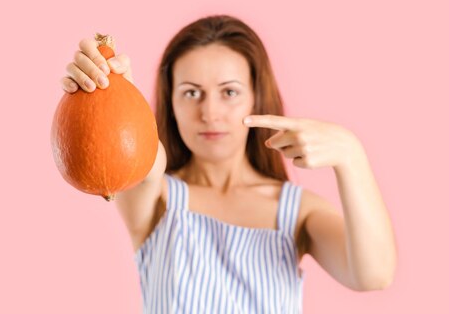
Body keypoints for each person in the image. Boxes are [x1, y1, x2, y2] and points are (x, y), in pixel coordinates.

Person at [60, 15, 397, 313]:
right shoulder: (157, 200)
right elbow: (141, 163)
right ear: (170, 102)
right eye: (192, 93)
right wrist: (115, 91)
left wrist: (351, 156)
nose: (210, 113)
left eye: (229, 92)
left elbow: (373, 275)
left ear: (256, 96)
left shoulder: (297, 212)